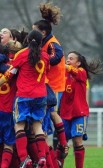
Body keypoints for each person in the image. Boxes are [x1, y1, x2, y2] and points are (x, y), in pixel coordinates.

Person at [0, 30, 50, 168]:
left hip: (24, 95)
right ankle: (41, 157)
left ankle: (24, 158)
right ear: (41, 42)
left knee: (19, 125)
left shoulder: (21, 54)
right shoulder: (45, 56)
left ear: (27, 41)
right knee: (37, 126)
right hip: (41, 95)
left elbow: (9, 74)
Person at [32, 2, 69, 158]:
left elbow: (56, 56)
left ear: (43, 32)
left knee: (49, 116)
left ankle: (59, 147)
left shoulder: (52, 43)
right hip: (46, 84)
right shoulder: (44, 42)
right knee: (46, 117)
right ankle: (49, 153)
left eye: (35, 31)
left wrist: (43, 58)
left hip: (52, 85)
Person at [60, 51, 102, 168]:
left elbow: (70, 69)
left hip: (79, 113)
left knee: (77, 141)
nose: (68, 60)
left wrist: (62, 64)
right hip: (65, 113)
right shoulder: (64, 73)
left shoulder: (82, 72)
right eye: (67, 58)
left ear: (78, 63)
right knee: (62, 143)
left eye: (71, 59)